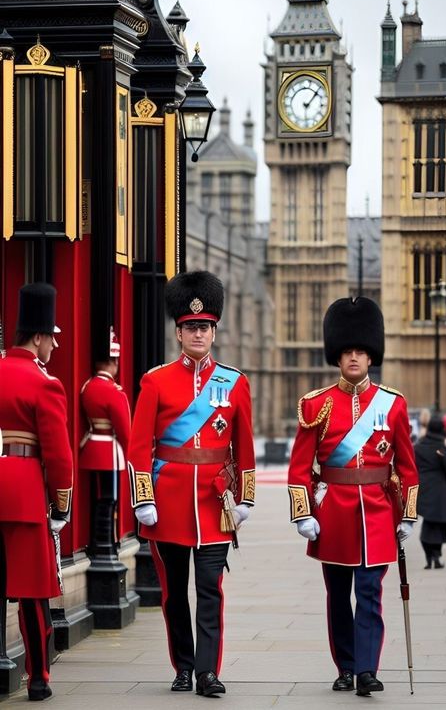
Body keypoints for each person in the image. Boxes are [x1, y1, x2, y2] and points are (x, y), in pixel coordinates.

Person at [127, 271, 255, 697]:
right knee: (174, 595)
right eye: (190, 327)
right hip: (167, 503)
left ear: (214, 331)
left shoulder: (234, 383)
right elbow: (138, 446)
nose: (198, 333)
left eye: (205, 327)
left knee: (210, 590)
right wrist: (143, 499)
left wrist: (246, 500)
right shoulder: (156, 380)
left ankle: (207, 672)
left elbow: (245, 446)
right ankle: (182, 666)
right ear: (179, 332)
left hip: (214, 504)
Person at [287, 297, 419, 697]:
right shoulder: (317, 404)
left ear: (371, 355)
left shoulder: (393, 404)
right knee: (338, 597)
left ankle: (366, 669)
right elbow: (299, 466)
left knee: (370, 593)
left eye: (360, 351)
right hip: (334, 514)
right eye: (348, 352)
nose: (355, 358)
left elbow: (408, 466)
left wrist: (408, 514)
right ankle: (345, 665)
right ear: (337, 357)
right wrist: (303, 513)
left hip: (378, 512)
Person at [0, 283, 73, 701]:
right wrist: (60, 504)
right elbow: (59, 456)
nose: (55, 345)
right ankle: (39, 677)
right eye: (52, 338)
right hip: (25, 493)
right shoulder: (45, 383)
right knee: (31, 593)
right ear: (40, 336)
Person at [79, 328, 130, 555]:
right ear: (113, 362)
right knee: (109, 499)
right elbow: (125, 431)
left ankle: (96, 542)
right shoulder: (115, 391)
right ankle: (105, 544)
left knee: (95, 500)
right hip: (110, 450)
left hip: (90, 448)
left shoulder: (87, 387)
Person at [415, 416, 446, 568]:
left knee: (428, 522)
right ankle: (436, 556)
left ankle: (429, 558)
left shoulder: (419, 446)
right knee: (439, 524)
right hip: (441, 488)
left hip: (424, 487)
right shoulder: (443, 447)